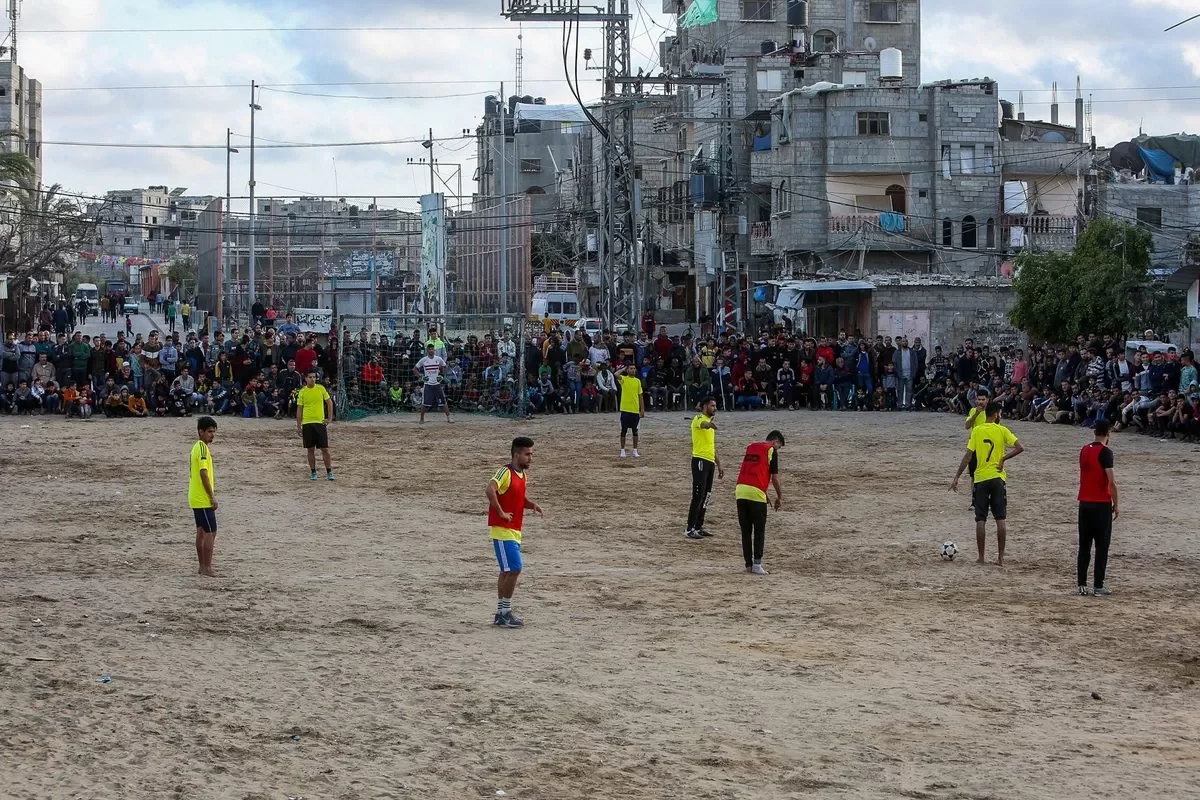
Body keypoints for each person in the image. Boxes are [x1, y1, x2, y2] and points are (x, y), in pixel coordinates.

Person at [950, 402, 1024, 566]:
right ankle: (1000, 558)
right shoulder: (1002, 430)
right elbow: (1020, 447)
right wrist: (1003, 459)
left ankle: (981, 557)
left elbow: (968, 456)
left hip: (981, 479)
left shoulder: (977, 430)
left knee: (980, 519)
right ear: (996, 414)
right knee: (1000, 518)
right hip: (997, 478)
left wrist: (957, 476)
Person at [487, 436, 542, 628]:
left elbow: (518, 497)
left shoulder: (522, 475)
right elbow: (490, 489)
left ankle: (501, 613)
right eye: (527, 454)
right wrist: (501, 512)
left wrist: (531, 504)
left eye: (531, 454)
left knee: (507, 570)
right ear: (516, 454)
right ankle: (505, 612)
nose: (530, 458)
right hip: (503, 530)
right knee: (515, 568)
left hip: (515, 530)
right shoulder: (505, 472)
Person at [1077, 420, 1119, 596]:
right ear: (1108, 433)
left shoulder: (1084, 449)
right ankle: (1098, 585)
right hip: (1101, 504)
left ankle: (1081, 584)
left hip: (1084, 503)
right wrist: (1116, 504)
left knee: (1084, 545)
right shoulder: (1106, 452)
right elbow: (1112, 482)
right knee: (1102, 546)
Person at [735, 430, 785, 575]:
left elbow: (754, 471)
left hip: (740, 490)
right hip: (756, 493)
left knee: (745, 531)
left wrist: (765, 493)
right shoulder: (771, 450)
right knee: (759, 530)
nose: (778, 449)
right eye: (779, 446)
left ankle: (748, 565)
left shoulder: (751, 447)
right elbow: (774, 477)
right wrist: (779, 496)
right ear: (776, 442)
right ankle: (757, 564)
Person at [685, 396, 723, 540]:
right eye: (712, 406)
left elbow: (711, 446)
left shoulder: (708, 422)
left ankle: (698, 526)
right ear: (705, 406)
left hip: (710, 461)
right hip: (700, 460)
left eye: (715, 406)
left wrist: (719, 464)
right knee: (698, 495)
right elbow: (704, 424)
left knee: (706, 495)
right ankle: (690, 528)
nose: (715, 408)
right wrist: (710, 425)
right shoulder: (698, 419)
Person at [190, 416, 219, 577]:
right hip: (202, 498)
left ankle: (202, 567)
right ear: (200, 432)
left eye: (213, 432)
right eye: (209, 432)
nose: (212, 435)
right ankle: (207, 567)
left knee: (201, 531)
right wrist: (211, 496)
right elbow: (203, 474)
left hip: (196, 497)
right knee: (210, 532)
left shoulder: (198, 447)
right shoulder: (202, 448)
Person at [296, 370, 335, 481]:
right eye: (310, 377)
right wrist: (299, 426)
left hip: (320, 422)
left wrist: (330, 418)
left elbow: (329, 402)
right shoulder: (302, 392)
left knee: (325, 449)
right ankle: (313, 472)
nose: (312, 379)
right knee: (310, 449)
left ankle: (329, 471)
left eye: (314, 377)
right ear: (306, 379)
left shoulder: (321, 388)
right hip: (307, 423)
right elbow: (299, 409)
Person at [414, 342, 453, 424]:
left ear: (434, 350)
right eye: (429, 349)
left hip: (437, 384)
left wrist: (442, 375)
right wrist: (421, 377)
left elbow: (445, 367)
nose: (431, 350)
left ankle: (449, 418)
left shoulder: (438, 359)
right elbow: (414, 369)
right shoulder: (424, 360)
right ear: (427, 350)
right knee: (425, 404)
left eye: (432, 349)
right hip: (428, 384)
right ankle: (422, 418)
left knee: (443, 402)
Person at [617, 363, 644, 458]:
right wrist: (623, 368)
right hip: (625, 409)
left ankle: (635, 450)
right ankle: (622, 450)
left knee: (635, 431)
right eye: (631, 368)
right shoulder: (623, 379)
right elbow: (616, 374)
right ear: (627, 370)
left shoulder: (638, 381)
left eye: (634, 368)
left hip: (635, 410)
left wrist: (642, 409)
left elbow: (640, 396)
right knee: (623, 431)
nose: (633, 370)